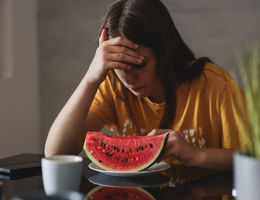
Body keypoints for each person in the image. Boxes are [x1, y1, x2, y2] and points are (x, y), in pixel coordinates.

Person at [44, 0, 247, 170]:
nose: (129, 79)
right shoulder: (113, 87)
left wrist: (196, 155)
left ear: (164, 51)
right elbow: (56, 153)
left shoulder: (214, 84)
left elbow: (254, 158)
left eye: (139, 64)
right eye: (119, 66)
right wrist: (91, 78)